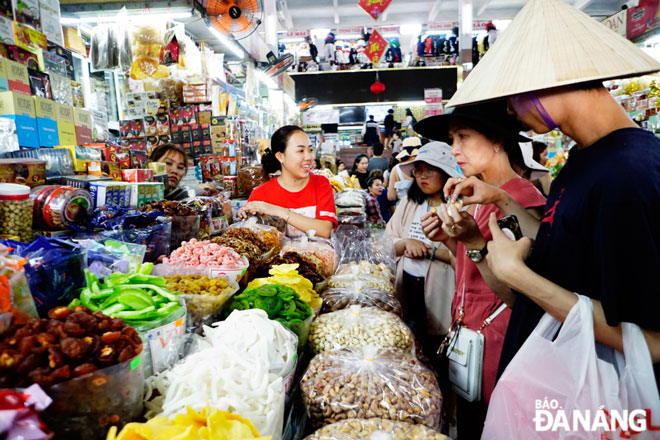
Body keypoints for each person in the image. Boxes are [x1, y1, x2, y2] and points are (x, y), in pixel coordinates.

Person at [442, 0, 660, 403]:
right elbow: (565, 249)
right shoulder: (587, 160)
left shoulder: (630, 174)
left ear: (553, 77)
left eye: (513, 94)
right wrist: (503, 201)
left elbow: (651, 339)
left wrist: (519, 276)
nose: (510, 109)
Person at [415, 101, 546, 439]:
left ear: (497, 140)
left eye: (463, 137)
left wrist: (471, 240)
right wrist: (449, 239)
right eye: (451, 139)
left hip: (501, 339)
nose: (454, 150)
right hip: (469, 334)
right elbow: (468, 266)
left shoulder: (522, 199)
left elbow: (520, 287)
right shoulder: (474, 192)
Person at [385, 142, 458, 359]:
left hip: (442, 289)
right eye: (419, 170)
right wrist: (406, 242)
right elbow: (387, 240)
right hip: (408, 282)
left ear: (446, 173)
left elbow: (465, 257)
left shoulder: (460, 208)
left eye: (430, 170)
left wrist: (431, 252)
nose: (422, 176)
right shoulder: (410, 202)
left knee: (438, 343)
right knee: (410, 339)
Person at [239, 125, 337, 238]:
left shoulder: (320, 184)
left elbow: (325, 230)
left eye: (310, 150)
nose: (309, 157)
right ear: (280, 156)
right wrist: (245, 216)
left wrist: (278, 211)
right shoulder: (260, 195)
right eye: (300, 151)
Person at [388, 137, 422, 204]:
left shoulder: (396, 169)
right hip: (423, 208)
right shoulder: (425, 166)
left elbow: (391, 196)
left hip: (403, 209)